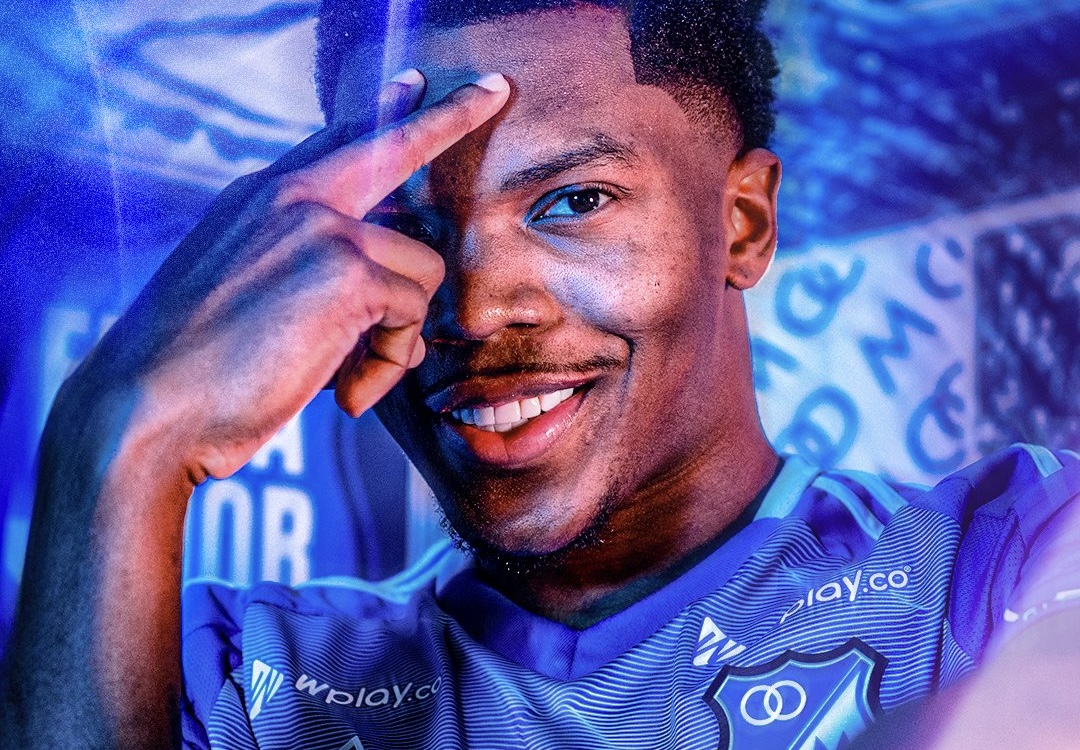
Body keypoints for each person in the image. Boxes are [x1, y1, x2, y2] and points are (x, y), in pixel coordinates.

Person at [2, 0, 1079, 747]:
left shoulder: (1012, 552)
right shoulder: (233, 676)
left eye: (573, 201)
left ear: (743, 223)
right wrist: (118, 437)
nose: (474, 311)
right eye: (400, 224)